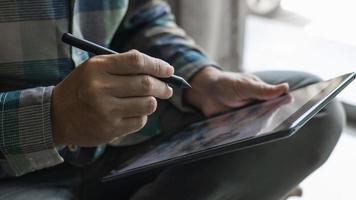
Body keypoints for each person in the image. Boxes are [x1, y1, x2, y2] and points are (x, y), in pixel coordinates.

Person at [0, 1, 345, 200]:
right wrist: (52, 118)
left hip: (123, 144)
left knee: (310, 110)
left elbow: (142, 14)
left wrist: (201, 79)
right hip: (14, 175)